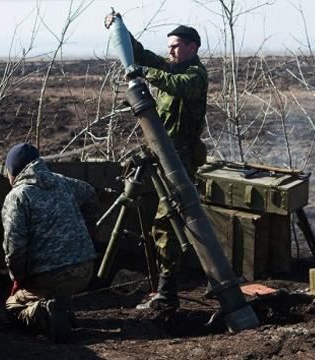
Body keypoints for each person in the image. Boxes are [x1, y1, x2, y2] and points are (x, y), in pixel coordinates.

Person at [104, 14, 209, 313]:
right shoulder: (174, 66)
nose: (171, 52)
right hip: (164, 155)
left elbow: (178, 85)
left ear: (192, 47)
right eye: (170, 47)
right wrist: (118, 26)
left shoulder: (195, 75)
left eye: (176, 47)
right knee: (162, 223)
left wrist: (145, 74)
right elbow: (142, 55)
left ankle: (167, 293)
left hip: (180, 159)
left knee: (167, 223)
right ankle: (165, 288)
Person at [2, 143, 98, 342]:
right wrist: (88, 231)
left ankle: (45, 314)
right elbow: (90, 193)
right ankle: (60, 307)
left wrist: (19, 278)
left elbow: (15, 248)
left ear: (14, 170)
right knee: (56, 288)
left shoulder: (18, 196)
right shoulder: (63, 183)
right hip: (85, 269)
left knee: (12, 306)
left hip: (51, 276)